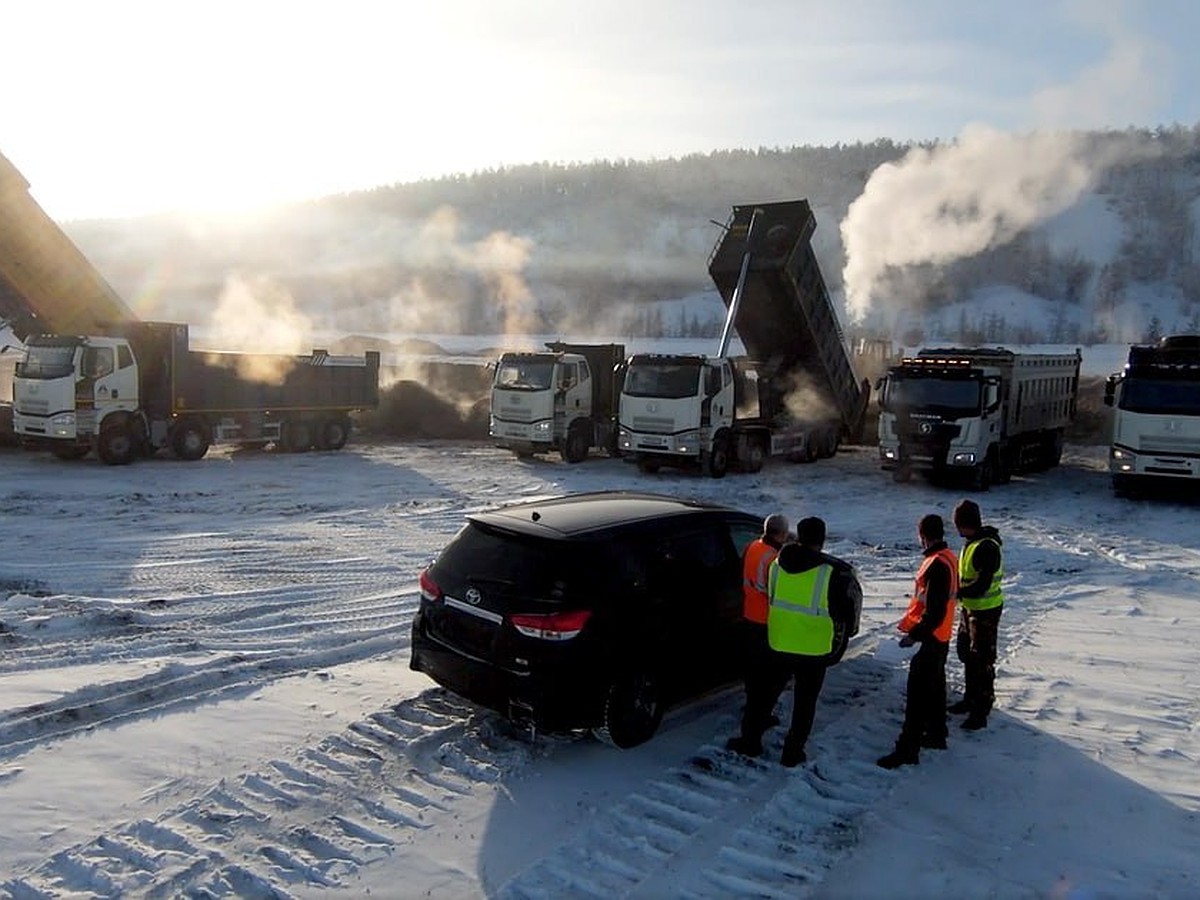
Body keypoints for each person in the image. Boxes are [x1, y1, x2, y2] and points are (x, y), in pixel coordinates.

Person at [727, 516, 861, 767]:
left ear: (797, 536)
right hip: (813, 649)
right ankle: (792, 752)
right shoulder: (829, 573)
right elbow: (843, 612)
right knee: (804, 704)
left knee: (765, 695)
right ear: (821, 540)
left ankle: (750, 740)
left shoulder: (777, 565)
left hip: (779, 642)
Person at [877, 514, 959, 769]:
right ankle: (936, 734)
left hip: (930, 637)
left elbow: (934, 611)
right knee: (934, 689)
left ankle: (907, 749)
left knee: (917, 697)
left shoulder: (936, 564)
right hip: (940, 636)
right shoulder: (948, 557)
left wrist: (915, 636)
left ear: (921, 535)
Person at [950, 498, 1005, 731]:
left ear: (964, 524)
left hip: (985, 611)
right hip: (970, 609)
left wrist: (956, 593)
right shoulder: (973, 542)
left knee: (982, 660)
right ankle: (970, 698)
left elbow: (982, 584)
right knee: (967, 654)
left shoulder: (986, 547)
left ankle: (981, 709)